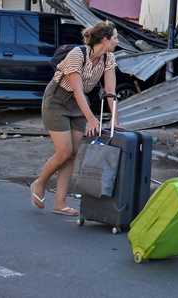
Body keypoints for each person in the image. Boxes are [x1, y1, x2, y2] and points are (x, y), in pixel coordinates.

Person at [29, 21, 119, 217]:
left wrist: (115, 119)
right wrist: (92, 119)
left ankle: (60, 203)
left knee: (73, 153)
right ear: (105, 39)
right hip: (57, 100)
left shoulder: (108, 58)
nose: (117, 41)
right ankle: (40, 182)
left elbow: (110, 91)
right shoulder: (77, 55)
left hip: (78, 104)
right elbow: (77, 90)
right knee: (64, 151)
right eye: (115, 38)